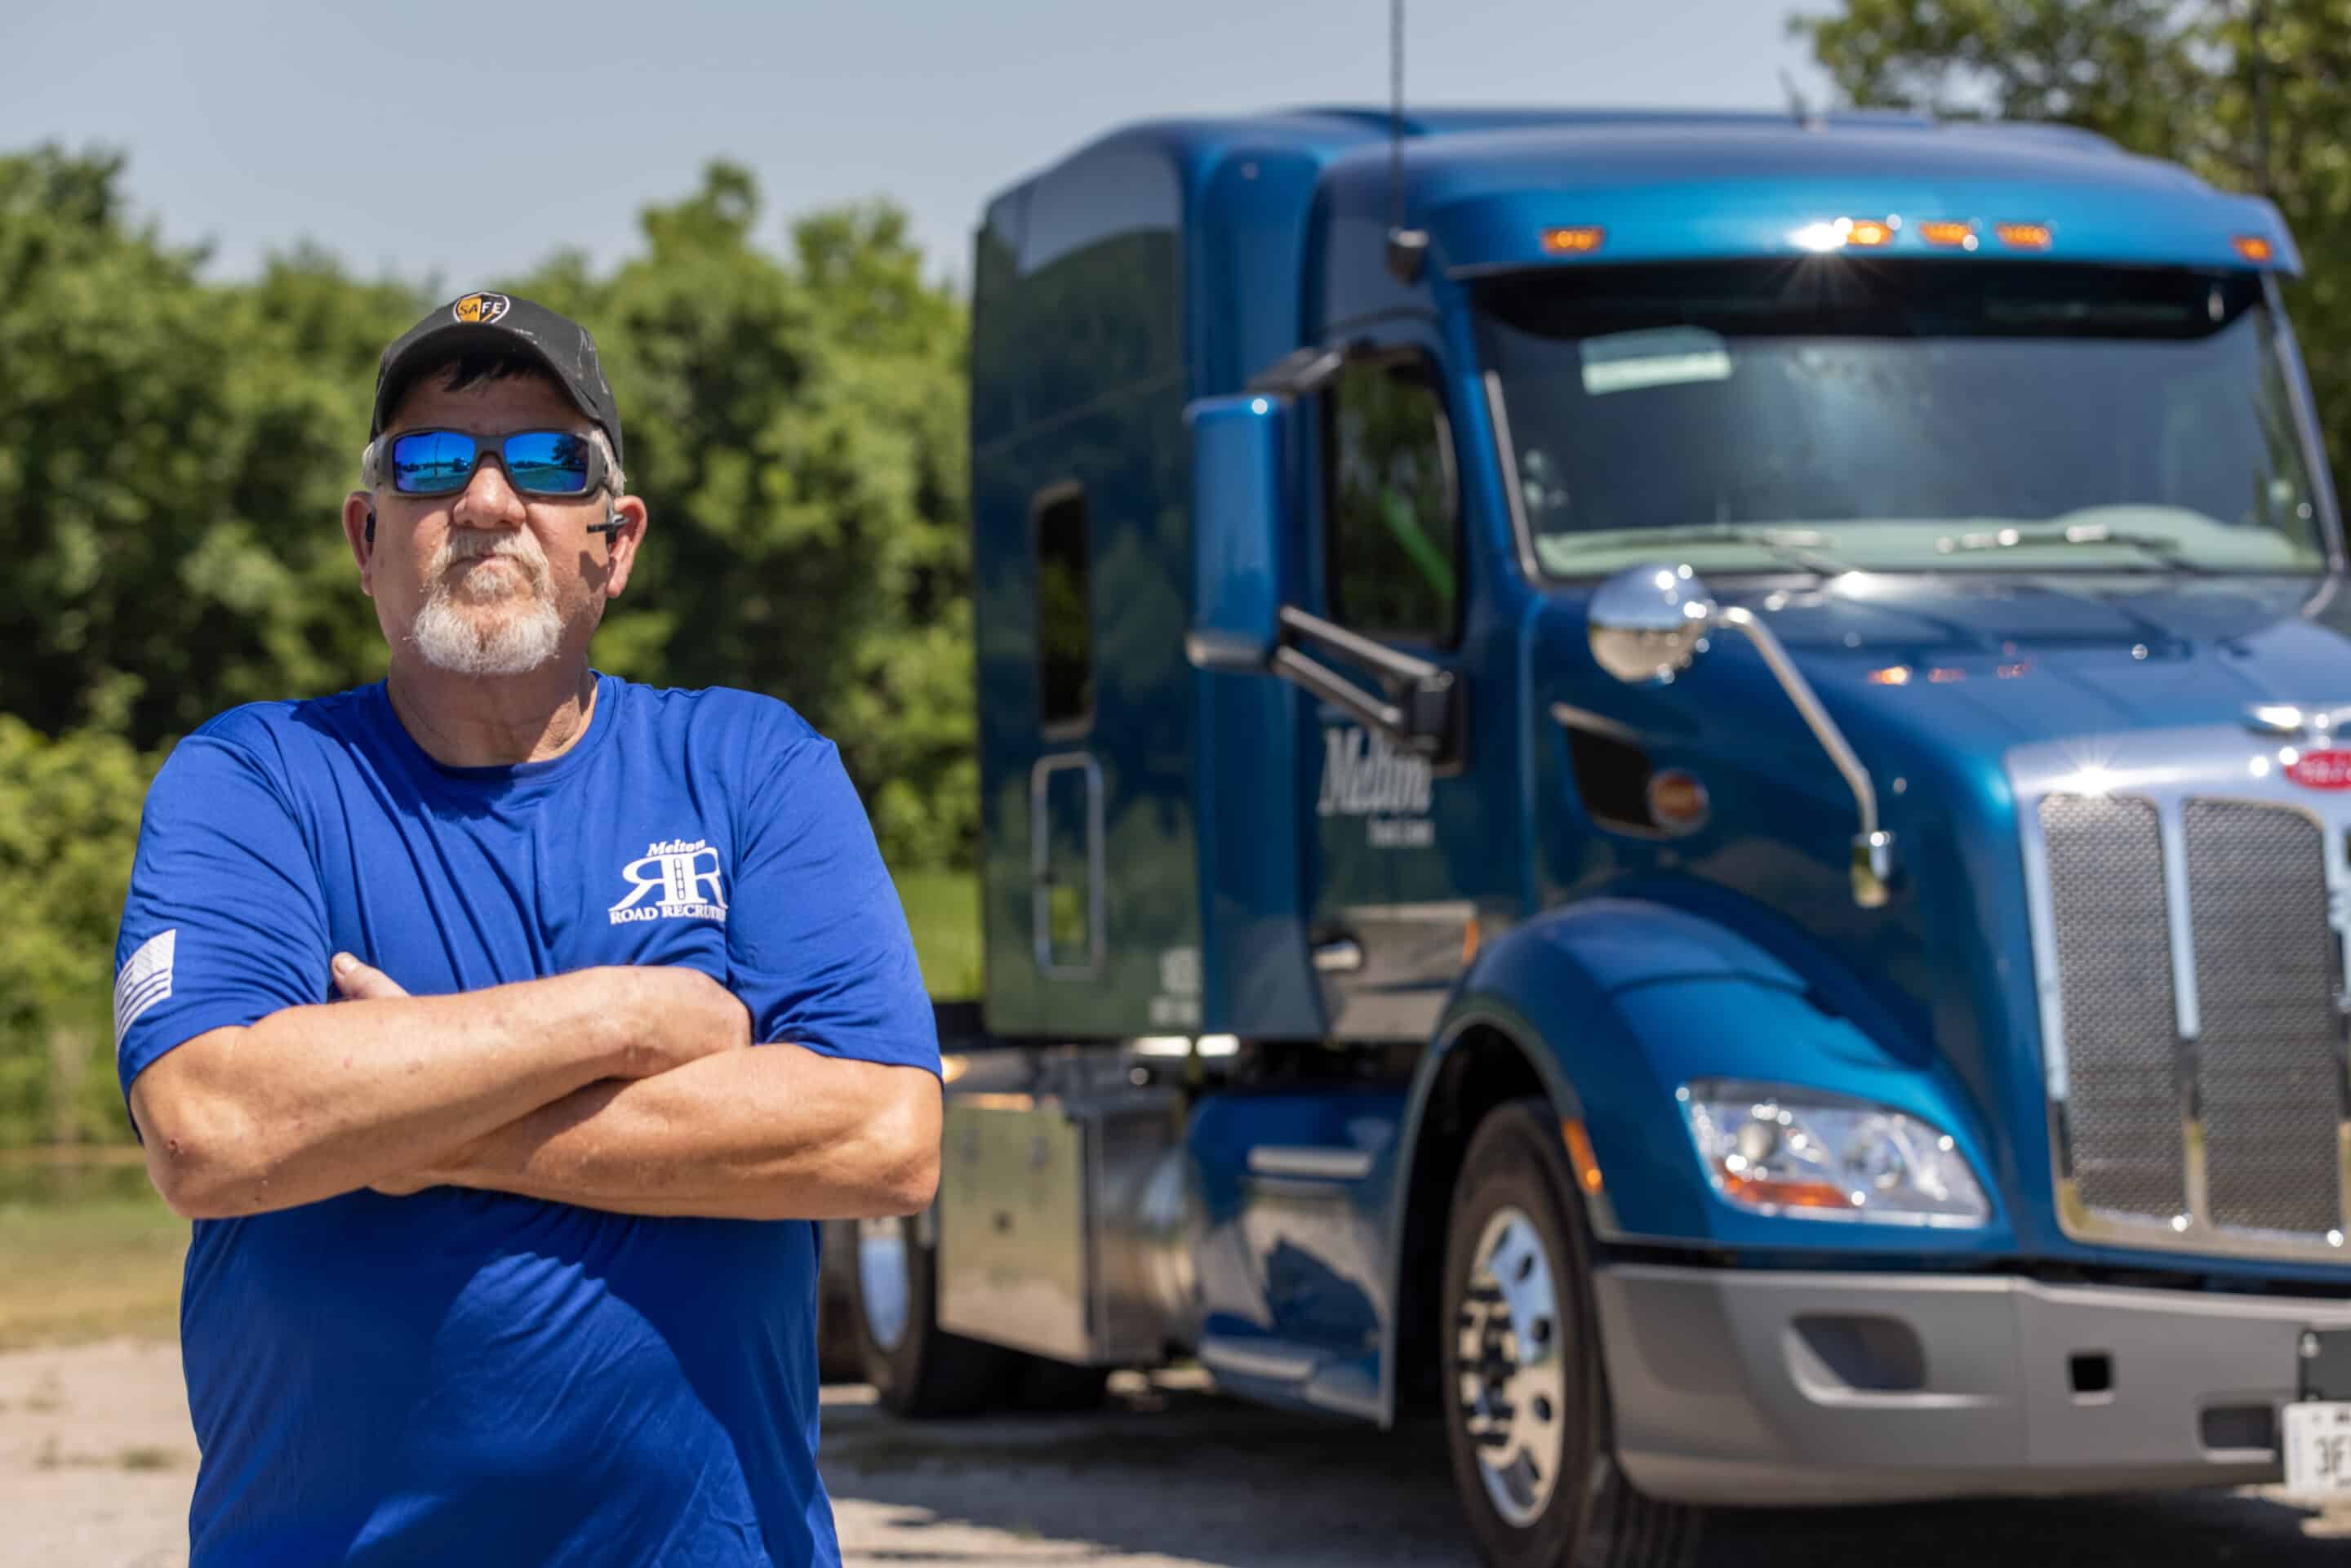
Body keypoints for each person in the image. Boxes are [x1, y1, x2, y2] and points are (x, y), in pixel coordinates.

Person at [111, 291, 943, 1566]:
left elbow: (882, 1134)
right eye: (431, 461)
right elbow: (213, 1128)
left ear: (616, 540)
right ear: (366, 533)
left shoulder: (752, 763)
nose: (487, 500)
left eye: (550, 461)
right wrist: (632, 1014)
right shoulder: (254, 778)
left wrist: (411, 1126)